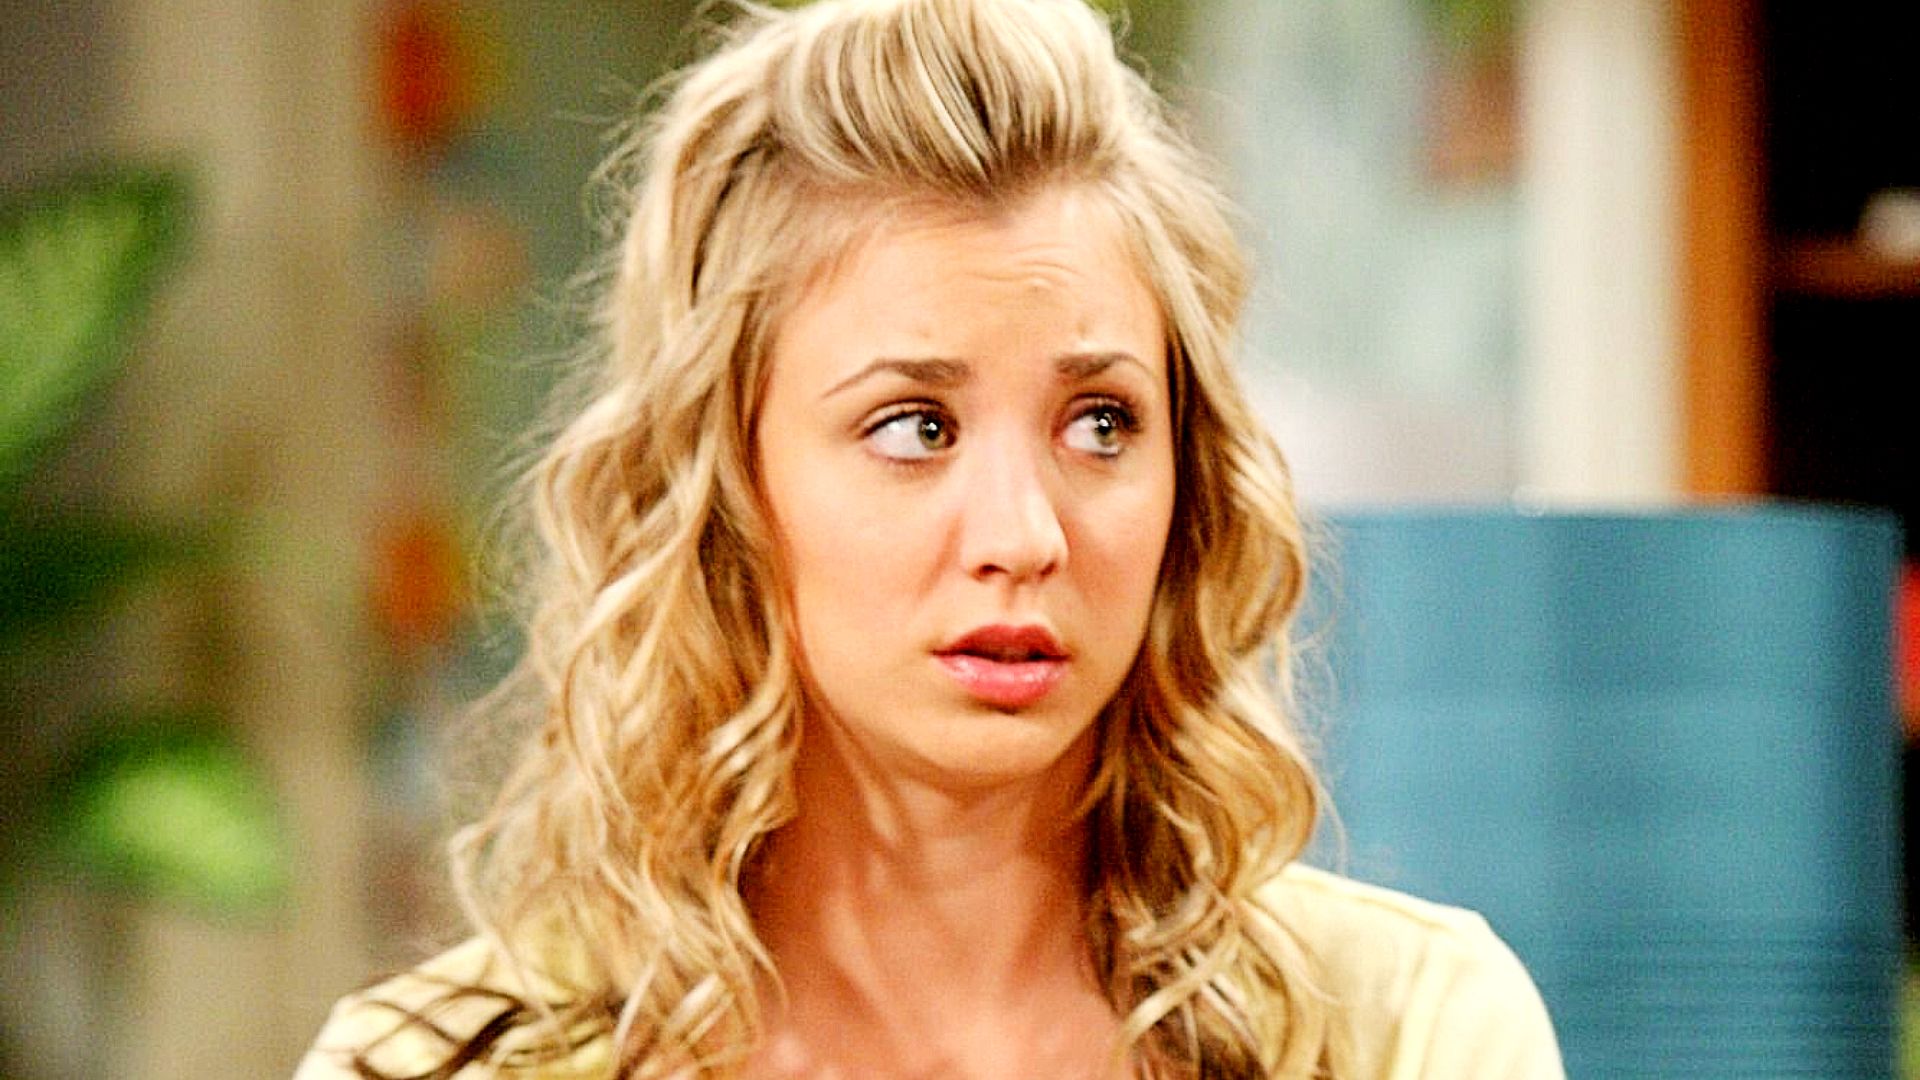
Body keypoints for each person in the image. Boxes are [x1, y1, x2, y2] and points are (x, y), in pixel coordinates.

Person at [297, 0, 1564, 1075]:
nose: (1024, 535)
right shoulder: (438, 1064)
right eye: (915, 428)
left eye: (1102, 423)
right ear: (726, 483)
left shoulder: (1404, 1031)